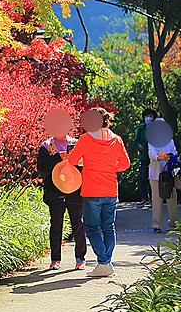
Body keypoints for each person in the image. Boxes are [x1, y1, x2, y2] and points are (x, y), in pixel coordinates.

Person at [67, 107, 130, 277]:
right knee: (108, 227)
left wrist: (86, 163)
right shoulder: (116, 140)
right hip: (111, 189)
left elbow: (72, 160)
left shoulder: (86, 139)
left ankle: (104, 262)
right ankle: (106, 263)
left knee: (91, 227)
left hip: (92, 190)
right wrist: (109, 167)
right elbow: (125, 163)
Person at [37, 134, 86, 270]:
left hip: (75, 189)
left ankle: (80, 258)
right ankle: (55, 259)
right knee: (56, 225)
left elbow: (84, 165)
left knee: (77, 224)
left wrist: (74, 159)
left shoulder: (76, 143)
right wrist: (57, 158)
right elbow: (42, 169)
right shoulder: (46, 146)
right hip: (54, 192)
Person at [148, 118, 179, 233]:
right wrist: (162, 158)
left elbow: (175, 152)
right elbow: (152, 155)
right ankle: (157, 225)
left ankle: (174, 222)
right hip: (156, 175)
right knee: (157, 199)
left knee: (172, 198)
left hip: (169, 173)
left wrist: (170, 157)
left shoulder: (169, 140)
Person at [131, 109, 158, 207]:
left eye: (151, 116)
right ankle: (144, 198)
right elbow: (135, 141)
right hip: (144, 157)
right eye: (147, 116)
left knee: (153, 178)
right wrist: (138, 145)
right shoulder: (141, 128)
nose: (148, 118)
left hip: (155, 158)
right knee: (143, 177)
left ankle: (153, 199)